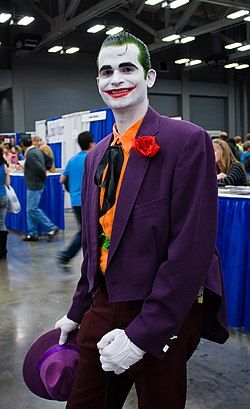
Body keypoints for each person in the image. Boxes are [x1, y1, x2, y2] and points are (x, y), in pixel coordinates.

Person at [54, 31, 229, 409]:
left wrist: (144, 334)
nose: (116, 79)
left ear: (149, 78)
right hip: (104, 302)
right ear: (98, 83)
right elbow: (95, 242)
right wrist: (76, 310)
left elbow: (190, 249)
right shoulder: (98, 155)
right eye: (106, 72)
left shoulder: (187, 140)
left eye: (127, 68)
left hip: (162, 309)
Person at [57, 131, 94, 265]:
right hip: (89, 201)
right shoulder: (92, 158)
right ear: (91, 143)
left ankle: (84, 257)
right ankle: (67, 255)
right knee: (86, 231)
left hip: (75, 201)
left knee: (85, 230)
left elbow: (62, 179)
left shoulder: (72, 160)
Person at [20, 135, 59, 241]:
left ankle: (51, 227)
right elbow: (49, 160)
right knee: (30, 210)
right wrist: (44, 171)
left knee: (32, 209)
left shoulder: (31, 154)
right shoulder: (36, 150)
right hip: (35, 183)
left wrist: (42, 175)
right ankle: (32, 233)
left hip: (34, 184)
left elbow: (39, 168)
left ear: (22, 144)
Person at [0, 147, 10, 259]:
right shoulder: (4, 166)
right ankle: (3, 251)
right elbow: (8, 183)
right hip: (3, 197)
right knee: (2, 223)